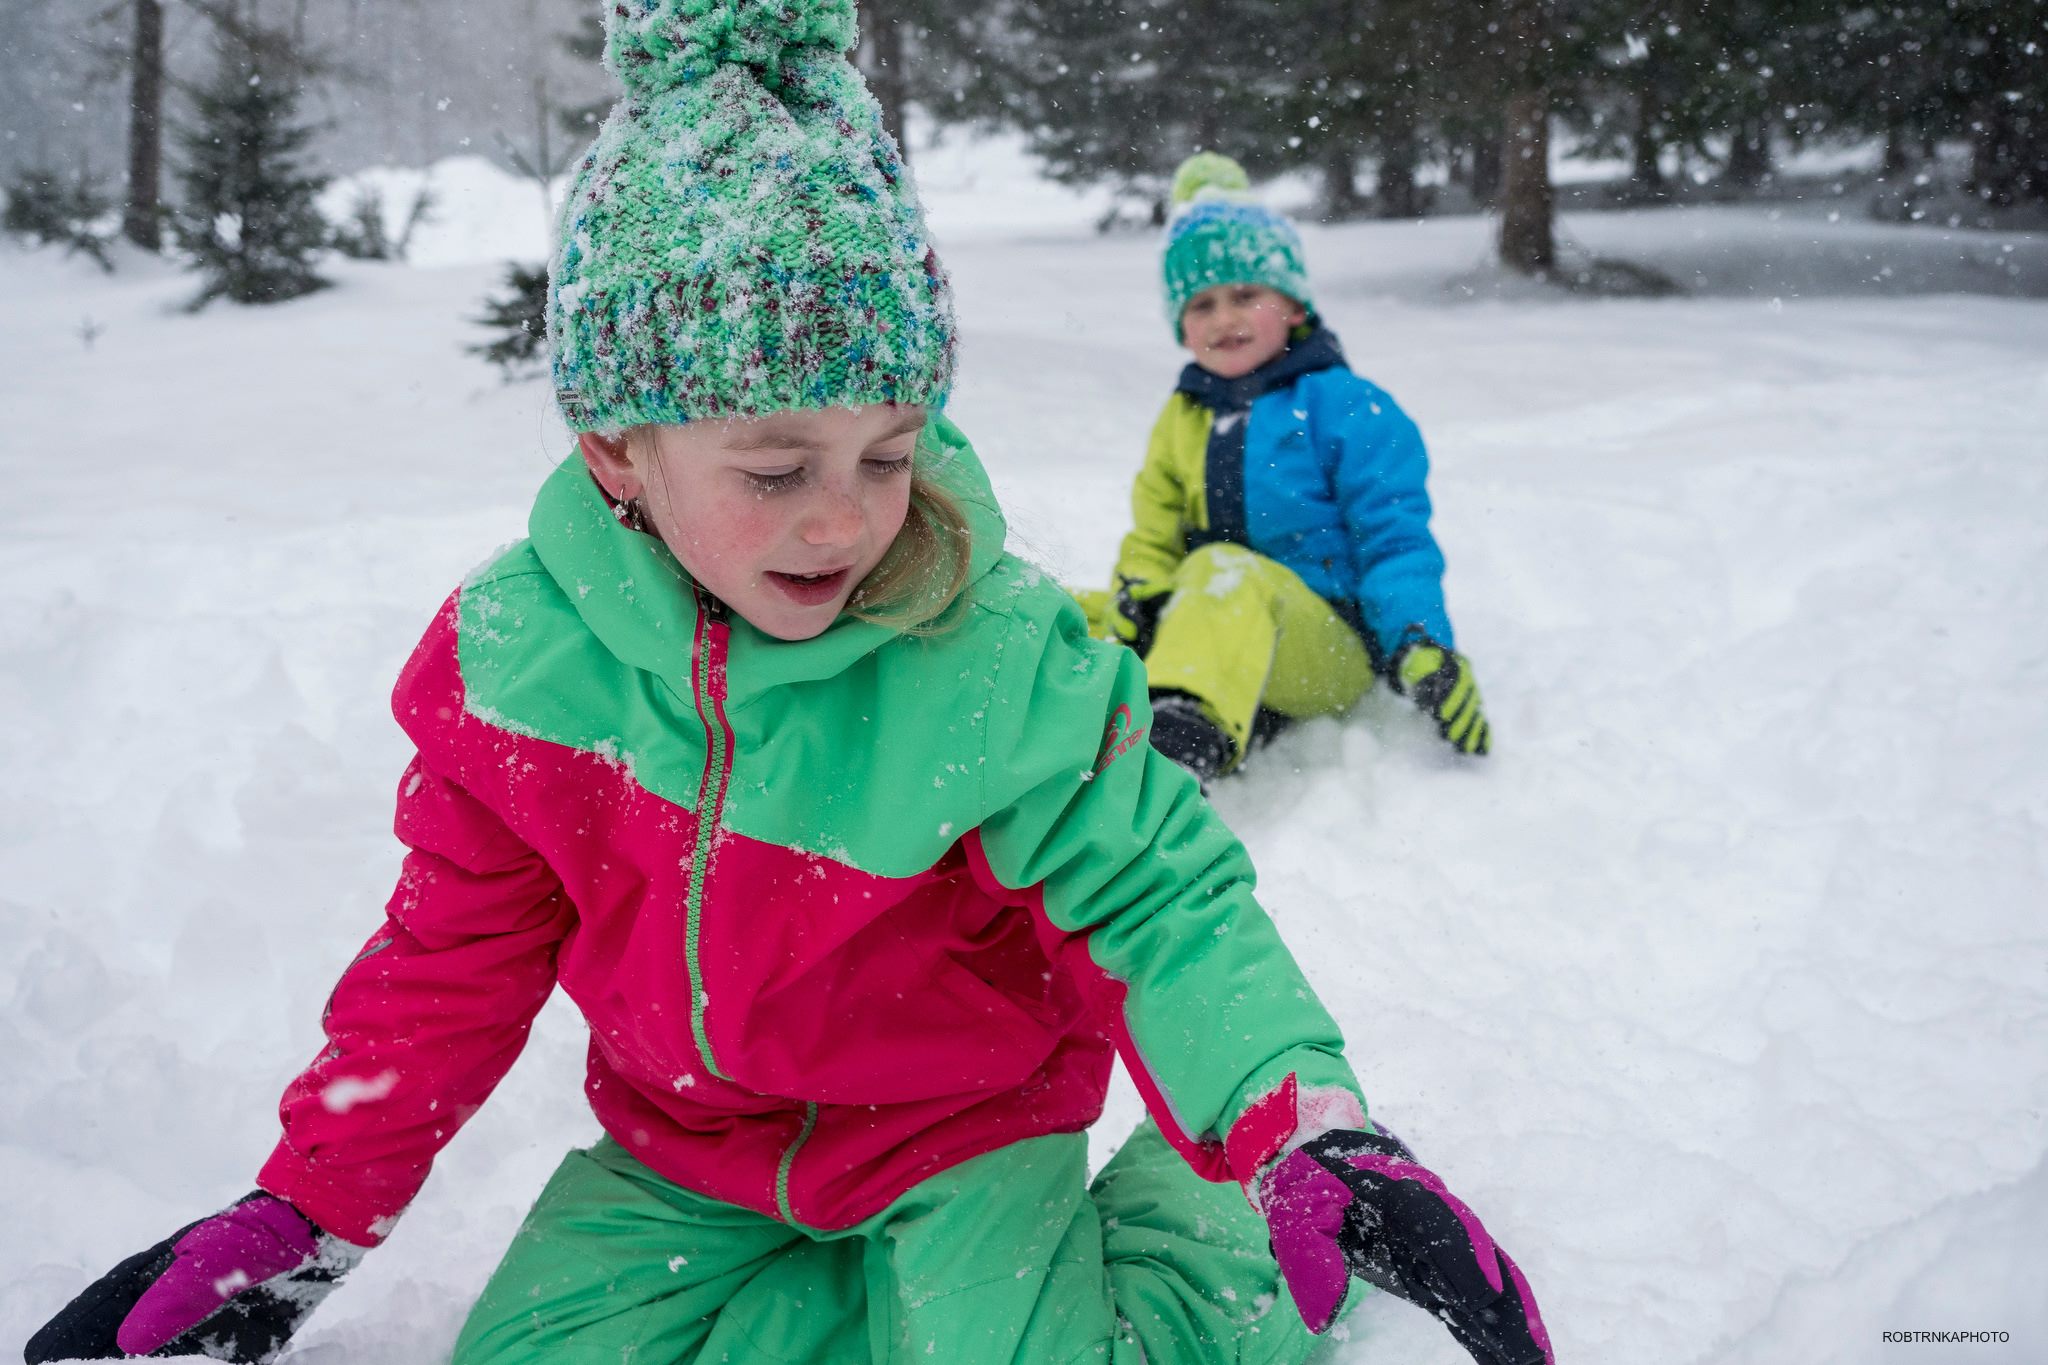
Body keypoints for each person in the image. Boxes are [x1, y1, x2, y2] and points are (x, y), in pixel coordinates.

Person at [23, 7, 1548, 1364]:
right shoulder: (517, 669)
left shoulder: (991, 652)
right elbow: (450, 961)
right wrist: (307, 1212)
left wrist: (1303, 1133)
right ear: (617, 447)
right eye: (775, 469)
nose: (845, 515)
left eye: (889, 454)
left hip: (961, 1132)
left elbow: (1158, 899)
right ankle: (851, 1296)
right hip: (686, 1155)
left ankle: (1196, 1210)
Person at [1077, 153, 1491, 787]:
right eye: (1202, 304)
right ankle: (1024, 726)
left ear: (1294, 304)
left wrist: (1419, 642)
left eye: (1246, 295)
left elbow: (1394, 539)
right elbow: (1153, 534)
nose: (1224, 319)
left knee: (1224, 572)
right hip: (1214, 615)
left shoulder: (1347, 407)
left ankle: (1169, 754)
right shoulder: (1182, 417)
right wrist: (1135, 595)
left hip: (1326, 649)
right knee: (1066, 609)